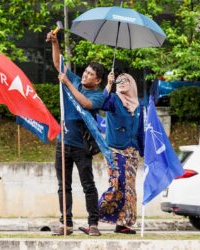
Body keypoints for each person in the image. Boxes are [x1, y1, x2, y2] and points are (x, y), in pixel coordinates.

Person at [46, 32, 105, 236]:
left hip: (82, 145)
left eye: (91, 75)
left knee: (88, 185)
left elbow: (85, 103)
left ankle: (93, 224)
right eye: (86, 72)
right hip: (63, 141)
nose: (86, 75)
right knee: (64, 186)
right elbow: (57, 64)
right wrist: (55, 43)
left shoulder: (97, 95)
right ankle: (66, 223)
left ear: (97, 81)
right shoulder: (75, 80)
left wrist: (68, 83)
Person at [98, 72, 144, 234]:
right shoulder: (113, 100)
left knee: (130, 188)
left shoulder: (139, 105)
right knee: (117, 183)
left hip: (133, 152)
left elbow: (140, 130)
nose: (122, 83)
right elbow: (100, 104)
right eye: (119, 81)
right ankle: (95, 214)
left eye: (126, 80)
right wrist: (108, 84)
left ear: (132, 83)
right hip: (116, 149)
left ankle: (124, 223)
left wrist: (144, 151)